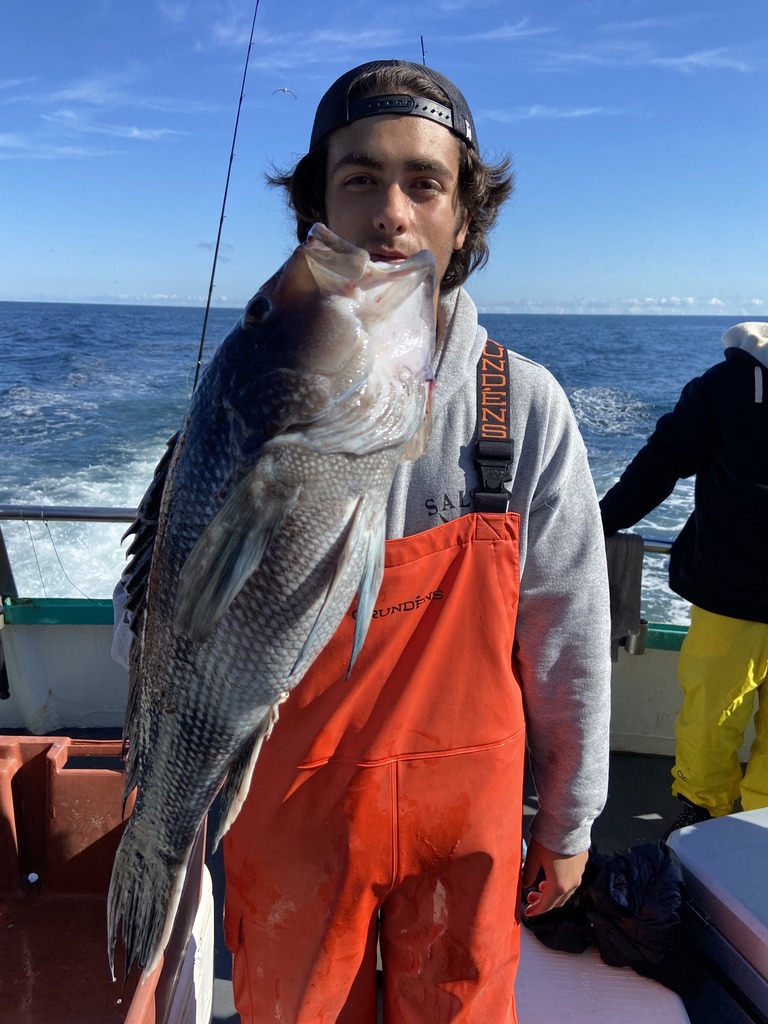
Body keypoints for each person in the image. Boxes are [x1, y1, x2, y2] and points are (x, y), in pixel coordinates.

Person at [217, 60, 611, 1024]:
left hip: (467, 826)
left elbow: (568, 630)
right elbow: (167, 617)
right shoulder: (246, 393)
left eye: (424, 183)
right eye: (359, 178)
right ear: (317, 209)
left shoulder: (521, 406)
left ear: (464, 219)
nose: (391, 211)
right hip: (293, 819)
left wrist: (567, 819)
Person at [599, 321, 768, 838]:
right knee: (713, 712)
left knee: (715, 712)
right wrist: (599, 522)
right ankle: (704, 810)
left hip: (725, 581)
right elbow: (664, 461)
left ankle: (761, 819)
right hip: (730, 591)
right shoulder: (727, 385)